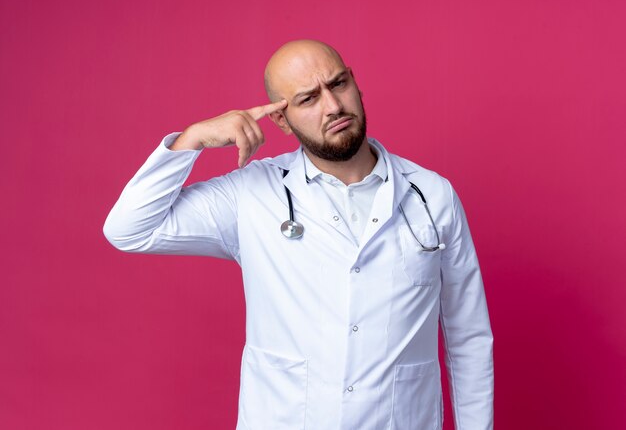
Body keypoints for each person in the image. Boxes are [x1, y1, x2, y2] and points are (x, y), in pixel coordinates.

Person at [103, 39, 494, 430]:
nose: (333, 107)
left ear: (356, 84)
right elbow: (129, 229)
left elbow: (468, 337)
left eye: (338, 84)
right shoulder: (252, 194)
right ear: (281, 120)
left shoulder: (431, 194)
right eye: (308, 99)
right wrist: (193, 139)